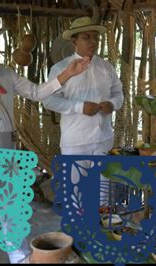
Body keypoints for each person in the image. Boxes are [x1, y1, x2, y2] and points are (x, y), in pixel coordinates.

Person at [0, 17, 89, 263]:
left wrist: (66, 75)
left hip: (8, 157)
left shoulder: (5, 74)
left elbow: (36, 92)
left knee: (13, 214)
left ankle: (20, 258)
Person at [43, 16, 124, 208]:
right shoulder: (61, 69)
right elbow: (48, 100)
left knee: (103, 192)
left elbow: (119, 93)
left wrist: (112, 104)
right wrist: (79, 107)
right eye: (87, 37)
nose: (93, 42)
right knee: (75, 192)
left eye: (95, 37)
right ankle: (76, 234)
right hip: (75, 141)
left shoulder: (106, 67)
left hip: (103, 139)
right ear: (74, 41)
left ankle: (101, 231)